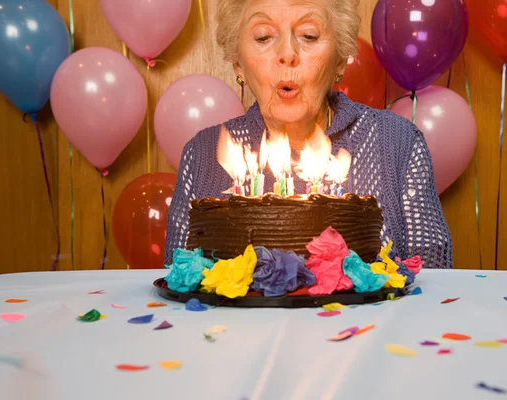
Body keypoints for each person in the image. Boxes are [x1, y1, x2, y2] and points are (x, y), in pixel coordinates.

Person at [164, 0, 453, 269]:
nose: (287, 55)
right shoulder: (201, 154)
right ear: (238, 62)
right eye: (264, 37)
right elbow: (179, 280)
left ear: (340, 59)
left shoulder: (398, 143)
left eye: (309, 35)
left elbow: (430, 278)